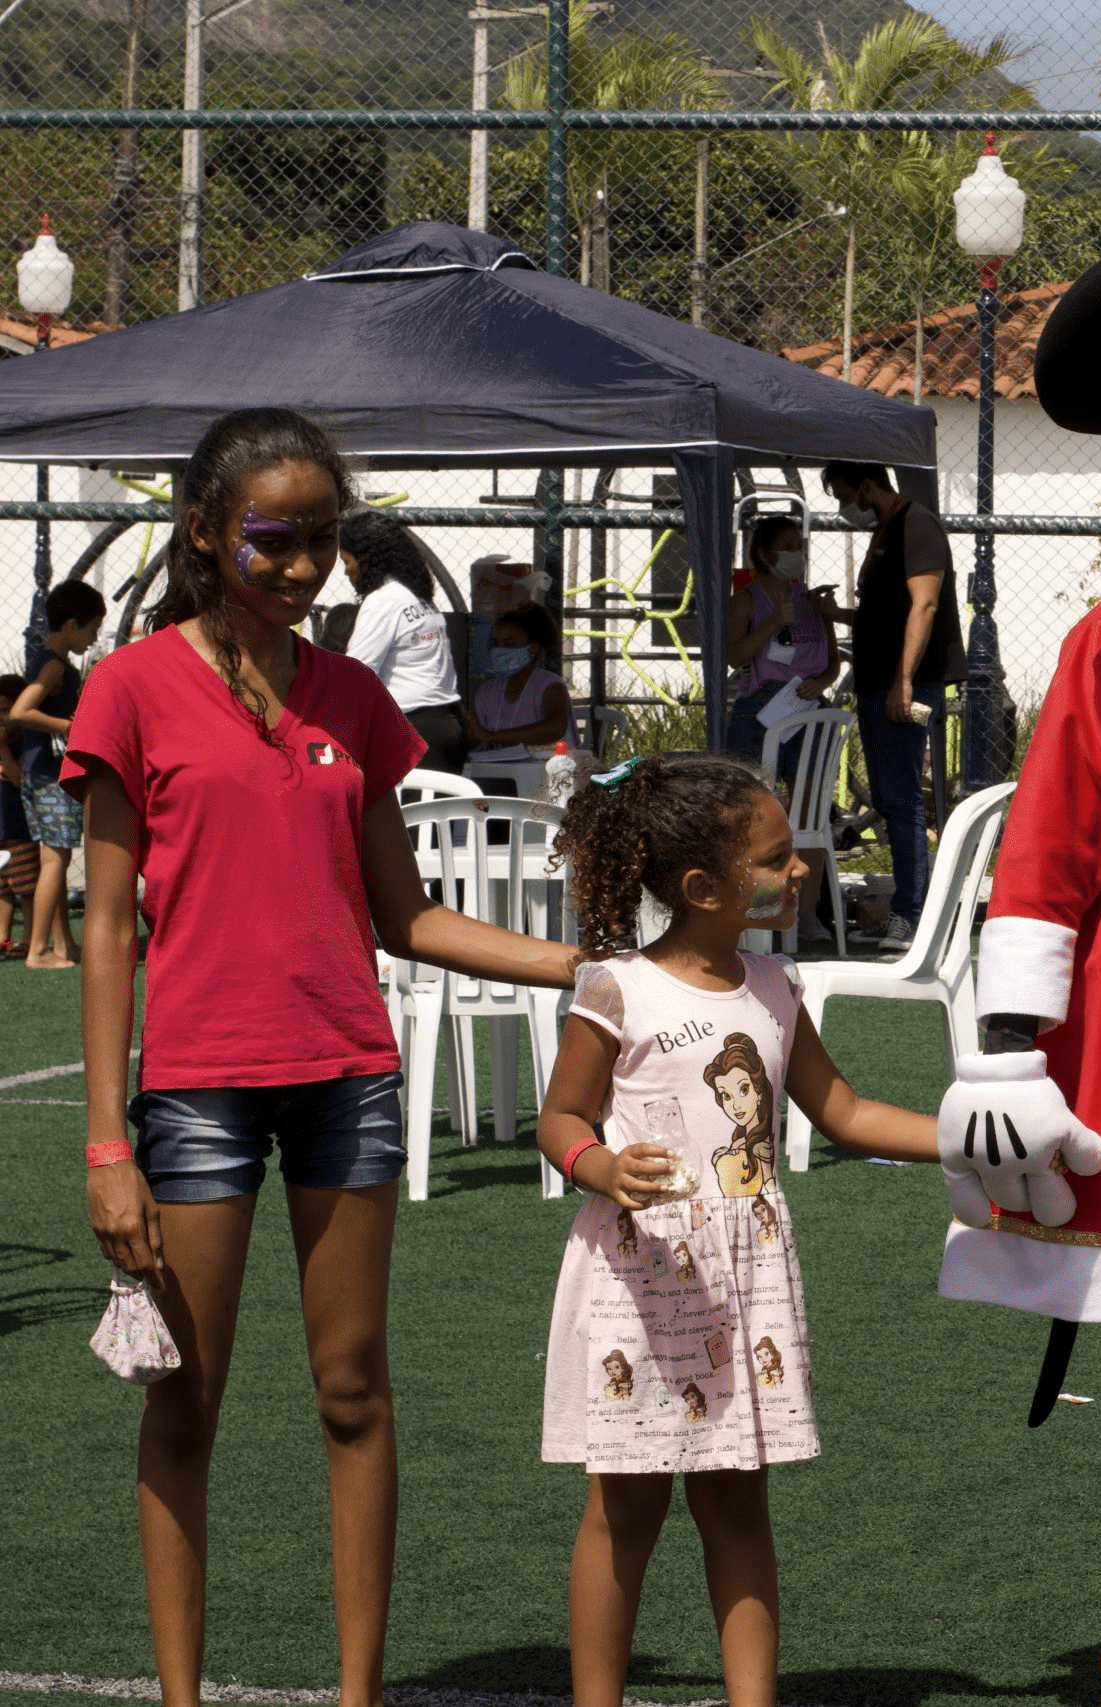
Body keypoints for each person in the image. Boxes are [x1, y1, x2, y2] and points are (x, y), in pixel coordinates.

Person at [68, 408, 592, 1707]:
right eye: (275, 536)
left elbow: (406, 915)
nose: (304, 563)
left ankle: (361, 1694)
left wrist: (587, 964)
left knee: (355, 1390)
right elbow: (108, 925)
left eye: (321, 538)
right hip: (194, 1093)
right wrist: (104, 1142)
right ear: (205, 531)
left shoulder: (354, 695)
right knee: (184, 1403)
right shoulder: (129, 686)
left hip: (348, 1081)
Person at [538, 750, 936, 1707]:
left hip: (744, 1282)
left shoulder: (777, 983)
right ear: (701, 886)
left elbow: (842, 1109)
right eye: (776, 857)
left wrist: (968, 1140)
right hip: (644, 1279)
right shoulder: (615, 988)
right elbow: (560, 1116)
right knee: (623, 1509)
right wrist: (599, 1164)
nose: (800, 868)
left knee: (737, 1500)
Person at [822, 460, 956, 954]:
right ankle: (905, 909)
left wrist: (904, 680)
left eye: (843, 496)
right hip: (877, 684)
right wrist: (836, 615)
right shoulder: (884, 531)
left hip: (905, 686)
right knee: (887, 795)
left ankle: (913, 916)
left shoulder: (916, 524)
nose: (843, 507)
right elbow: (886, 614)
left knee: (901, 800)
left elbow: (924, 605)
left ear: (867, 485)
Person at [10, 579, 105, 970]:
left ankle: (64, 944)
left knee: (57, 859)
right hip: (49, 775)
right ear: (71, 625)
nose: (94, 637)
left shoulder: (48, 660)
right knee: (55, 859)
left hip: (37, 774)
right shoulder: (53, 665)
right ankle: (38, 950)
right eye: (92, 629)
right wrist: (70, 727)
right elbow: (21, 712)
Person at [339, 507, 464, 772]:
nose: (347, 572)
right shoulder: (418, 597)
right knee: (437, 813)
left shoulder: (382, 601)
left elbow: (356, 675)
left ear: (366, 559)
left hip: (411, 731)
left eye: (347, 562)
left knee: (407, 814)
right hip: (447, 726)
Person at [722, 514, 837, 777]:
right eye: (787, 548)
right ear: (765, 554)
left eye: (799, 547)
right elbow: (734, 657)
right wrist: (772, 623)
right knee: (755, 797)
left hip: (808, 704)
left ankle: (807, 820)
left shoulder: (811, 601)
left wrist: (820, 683)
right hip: (761, 707)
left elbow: (832, 663)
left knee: (809, 792)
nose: (796, 554)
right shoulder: (745, 601)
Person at [464, 603, 572, 763]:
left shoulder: (550, 687)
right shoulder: (487, 692)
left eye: (509, 645)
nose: (498, 651)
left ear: (533, 648)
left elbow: (555, 728)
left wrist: (491, 736)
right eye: (495, 644)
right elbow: (474, 739)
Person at [0, 672, 35, 958]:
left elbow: (18, 780)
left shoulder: (23, 743)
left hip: (18, 827)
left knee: (25, 886)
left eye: (4, 710)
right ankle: (3, 937)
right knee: (2, 888)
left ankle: (28, 938)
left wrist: (3, 749)